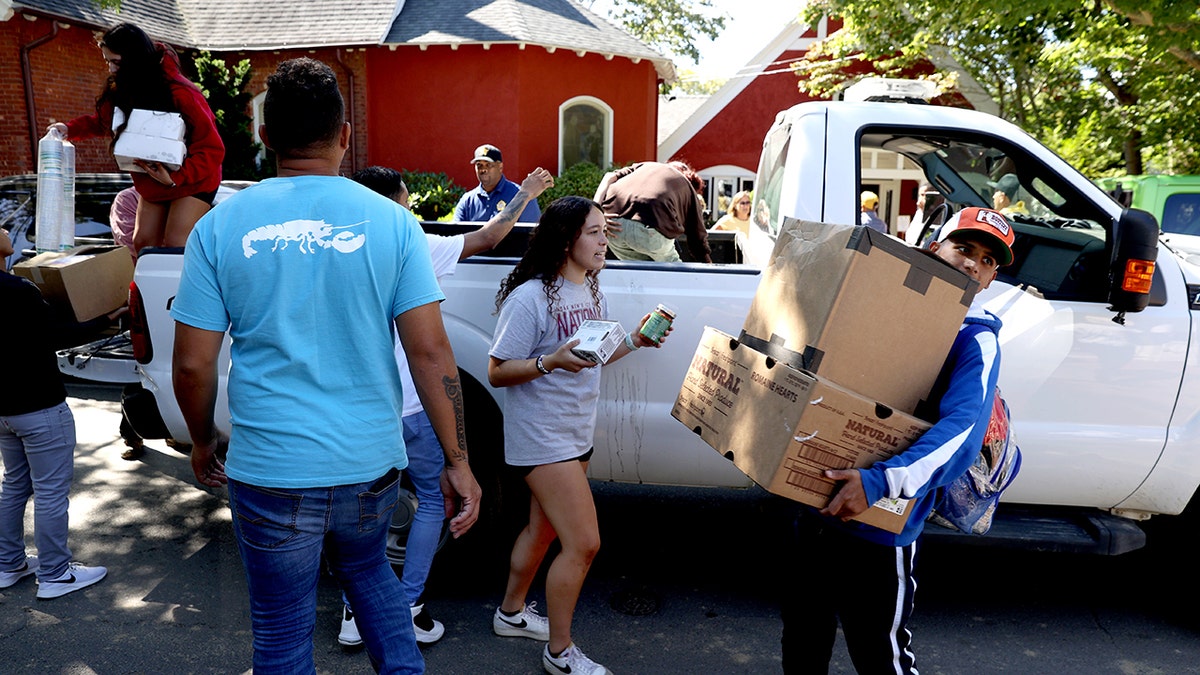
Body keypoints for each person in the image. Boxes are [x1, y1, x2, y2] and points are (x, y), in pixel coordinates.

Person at [170, 58, 480, 674]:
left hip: (271, 470)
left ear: (264, 137)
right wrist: (458, 461)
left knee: (283, 636)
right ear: (343, 135)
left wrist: (203, 440)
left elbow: (193, 366)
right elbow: (430, 353)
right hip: (369, 465)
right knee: (372, 580)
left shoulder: (218, 226)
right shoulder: (394, 223)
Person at [780, 206, 1014, 674]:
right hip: (812, 503)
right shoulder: (876, 300)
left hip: (879, 524)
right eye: (963, 248)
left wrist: (880, 482)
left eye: (987, 260)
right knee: (803, 636)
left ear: (990, 278)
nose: (972, 263)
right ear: (934, 249)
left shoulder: (975, 339)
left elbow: (963, 432)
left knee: (879, 653)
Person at [334, 164, 554, 649]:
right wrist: (528, 194)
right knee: (435, 499)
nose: (411, 211)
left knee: (362, 507)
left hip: (358, 408)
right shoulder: (413, 244)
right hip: (412, 405)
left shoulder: (334, 251)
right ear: (392, 203)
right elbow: (491, 237)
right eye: (407, 202)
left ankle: (353, 611)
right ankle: (409, 604)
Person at [488, 196, 669, 675]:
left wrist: (635, 340)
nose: (604, 240)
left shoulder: (591, 290)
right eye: (594, 232)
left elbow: (594, 356)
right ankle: (560, 654)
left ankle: (510, 613)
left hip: (575, 433)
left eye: (604, 231)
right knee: (584, 543)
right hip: (541, 437)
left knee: (543, 529)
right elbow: (497, 370)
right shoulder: (530, 297)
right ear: (567, 238)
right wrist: (551, 361)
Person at [49, 23, 224, 255]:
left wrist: (175, 177)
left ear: (136, 59)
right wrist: (68, 129)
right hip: (153, 178)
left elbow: (212, 148)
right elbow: (103, 121)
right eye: (107, 61)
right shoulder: (122, 90)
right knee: (143, 242)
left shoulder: (182, 93)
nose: (111, 69)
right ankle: (142, 292)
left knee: (176, 242)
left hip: (193, 179)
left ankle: (182, 291)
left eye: (117, 62)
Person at [0, 227, 109, 600]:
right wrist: (108, 319)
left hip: (4, 412)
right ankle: (55, 574)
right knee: (49, 491)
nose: (4, 229)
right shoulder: (18, 291)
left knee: (14, 485)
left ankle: (8, 564)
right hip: (40, 407)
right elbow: (56, 336)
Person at [593, 161, 711, 263]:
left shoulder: (645, 166)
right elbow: (698, 238)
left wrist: (596, 214)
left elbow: (609, 176)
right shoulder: (688, 189)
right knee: (675, 273)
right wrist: (709, 268)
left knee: (640, 272)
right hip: (651, 227)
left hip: (613, 226)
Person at [453, 144, 542, 223]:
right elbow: (456, 234)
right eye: (479, 165)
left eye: (488, 165)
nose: (483, 169)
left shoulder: (521, 195)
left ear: (500, 167)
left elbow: (531, 233)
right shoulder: (467, 200)